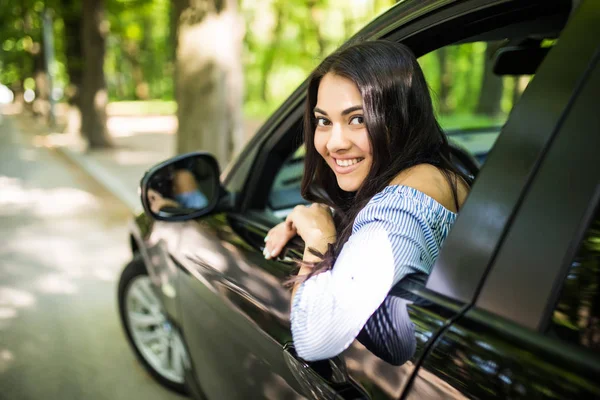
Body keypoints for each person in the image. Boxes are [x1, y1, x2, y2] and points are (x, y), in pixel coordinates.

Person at [263, 40, 471, 365]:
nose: (334, 143)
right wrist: (325, 214)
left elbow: (314, 338)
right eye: (323, 121)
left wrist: (319, 237)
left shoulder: (403, 207)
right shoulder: (438, 173)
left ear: (400, 117)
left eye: (357, 119)